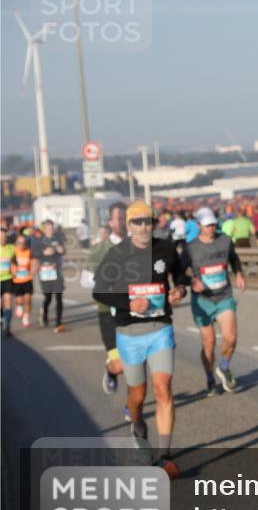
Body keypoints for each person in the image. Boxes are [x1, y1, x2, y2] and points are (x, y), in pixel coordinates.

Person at [93, 201, 188, 469]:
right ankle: (137, 427)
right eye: (138, 222)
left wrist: (179, 290)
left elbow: (181, 276)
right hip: (129, 332)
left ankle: (165, 454)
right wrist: (127, 302)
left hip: (160, 328)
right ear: (129, 226)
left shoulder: (166, 249)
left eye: (148, 221)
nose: (143, 227)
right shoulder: (117, 253)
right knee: (137, 396)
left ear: (154, 223)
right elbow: (100, 290)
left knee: (163, 389)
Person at [184, 207, 246, 395]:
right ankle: (210, 378)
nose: (210, 228)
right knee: (209, 343)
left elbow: (234, 260)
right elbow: (179, 272)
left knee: (231, 338)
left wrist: (239, 274)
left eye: (212, 224)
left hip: (224, 296)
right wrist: (191, 281)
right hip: (202, 301)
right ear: (199, 225)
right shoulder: (191, 248)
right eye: (206, 225)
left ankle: (224, 367)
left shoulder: (225, 241)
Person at [85, 201, 127, 396]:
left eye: (126, 219)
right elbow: (85, 280)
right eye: (119, 219)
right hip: (107, 313)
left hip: (134, 311)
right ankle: (111, 371)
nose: (123, 223)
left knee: (136, 363)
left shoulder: (139, 247)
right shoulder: (99, 250)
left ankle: (132, 407)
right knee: (120, 364)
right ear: (110, 222)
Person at [34, 219, 67, 332]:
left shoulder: (57, 239)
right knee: (48, 297)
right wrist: (43, 252)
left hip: (56, 270)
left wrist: (60, 250)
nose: (50, 230)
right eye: (48, 228)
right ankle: (44, 314)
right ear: (44, 229)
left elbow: (63, 251)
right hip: (45, 271)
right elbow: (33, 253)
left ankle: (59, 322)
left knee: (59, 296)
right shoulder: (39, 241)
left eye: (51, 228)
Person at [11, 234, 34, 328]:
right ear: (16, 243)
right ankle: (19, 306)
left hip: (27, 279)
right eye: (19, 243)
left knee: (28, 300)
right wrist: (13, 271)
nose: (21, 244)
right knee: (19, 301)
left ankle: (26, 318)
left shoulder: (29, 252)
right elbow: (11, 264)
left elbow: (33, 263)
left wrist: (32, 270)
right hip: (17, 281)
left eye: (23, 243)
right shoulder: (14, 252)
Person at [1, 226, 15, 337]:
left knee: (8, 302)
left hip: (8, 279)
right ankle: (1, 320)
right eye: (1, 236)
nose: (3, 238)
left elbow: (17, 260)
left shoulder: (11, 248)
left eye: (4, 236)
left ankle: (7, 326)